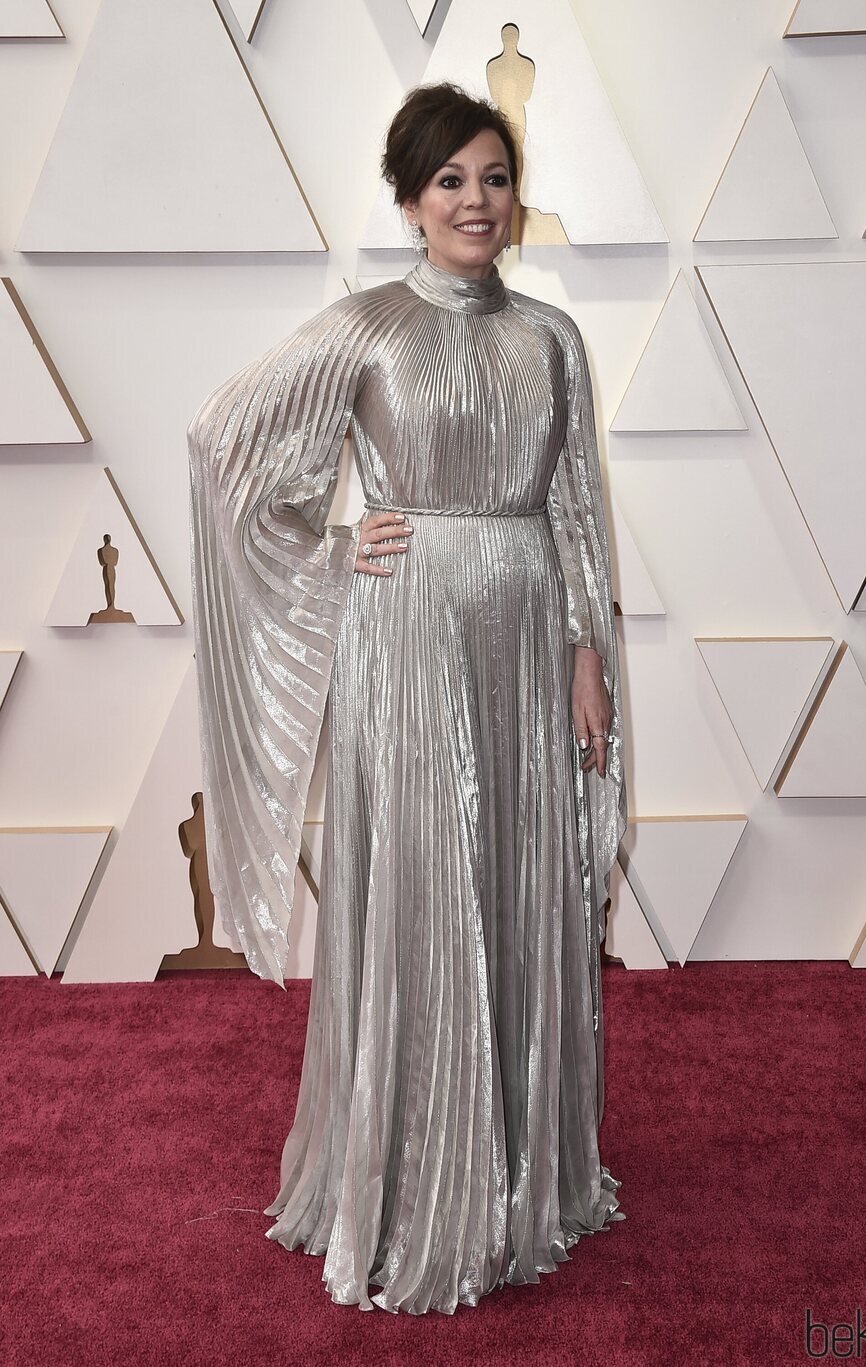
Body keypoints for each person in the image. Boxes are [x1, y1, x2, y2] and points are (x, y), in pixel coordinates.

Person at [187, 80, 628, 1316]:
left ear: (514, 195)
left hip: (529, 624)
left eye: (492, 178)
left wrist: (587, 649)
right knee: (429, 881)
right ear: (407, 198)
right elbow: (225, 438)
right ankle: (412, 1173)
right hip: (410, 628)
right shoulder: (369, 327)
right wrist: (333, 542)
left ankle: (520, 1176)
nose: (475, 201)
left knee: (518, 883)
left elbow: (575, 508)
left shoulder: (552, 339)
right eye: (450, 181)